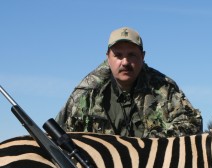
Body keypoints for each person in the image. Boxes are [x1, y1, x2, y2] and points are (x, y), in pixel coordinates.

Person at [55, 27, 202, 137]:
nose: (125, 62)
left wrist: (151, 145)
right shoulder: (87, 92)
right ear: (108, 57)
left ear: (143, 56)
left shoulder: (163, 88)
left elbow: (192, 124)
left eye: (132, 55)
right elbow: (58, 134)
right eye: (118, 55)